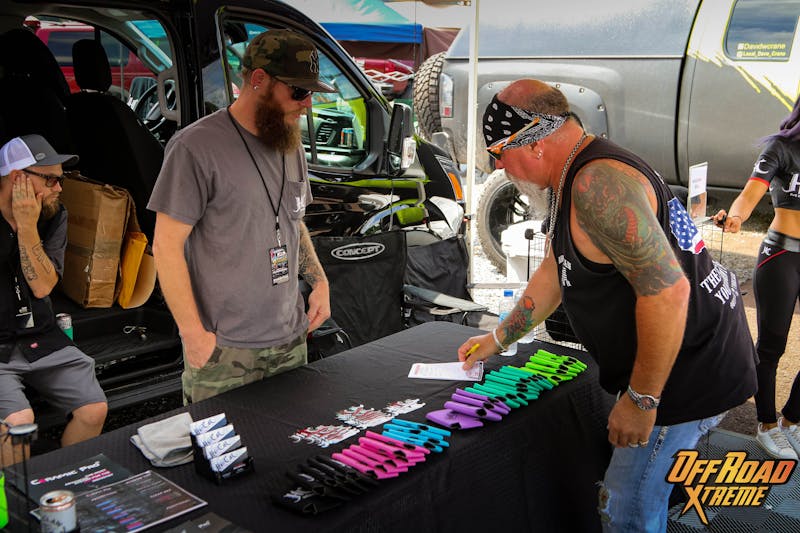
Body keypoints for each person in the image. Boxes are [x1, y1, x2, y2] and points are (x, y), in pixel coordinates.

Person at [458, 79, 757, 532]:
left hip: (686, 373)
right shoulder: (574, 173)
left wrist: (641, 400)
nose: (501, 168)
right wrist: (499, 337)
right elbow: (555, 272)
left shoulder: (596, 184)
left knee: (627, 509)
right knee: (643, 496)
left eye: (498, 154)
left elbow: (667, 291)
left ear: (534, 143)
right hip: (685, 359)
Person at [148, 29, 333, 404]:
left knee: (289, 453)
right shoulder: (194, 147)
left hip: (289, 338)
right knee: (225, 460)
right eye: (298, 92)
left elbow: (292, 221)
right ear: (259, 80)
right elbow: (166, 248)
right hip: (224, 350)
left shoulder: (288, 141)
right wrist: (193, 335)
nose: (308, 104)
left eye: (311, 92)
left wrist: (320, 282)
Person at [0, 135, 107, 465]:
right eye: (51, 180)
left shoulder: (53, 217)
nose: (60, 189)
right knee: (17, 424)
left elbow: (43, 287)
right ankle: (15, 507)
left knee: (94, 409)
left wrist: (28, 228)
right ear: (19, 179)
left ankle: (62, 487)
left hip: (40, 335)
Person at [712, 95, 800, 460]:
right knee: (771, 347)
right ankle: (765, 425)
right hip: (781, 255)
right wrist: (736, 216)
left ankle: (792, 420)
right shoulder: (782, 149)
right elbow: (751, 193)